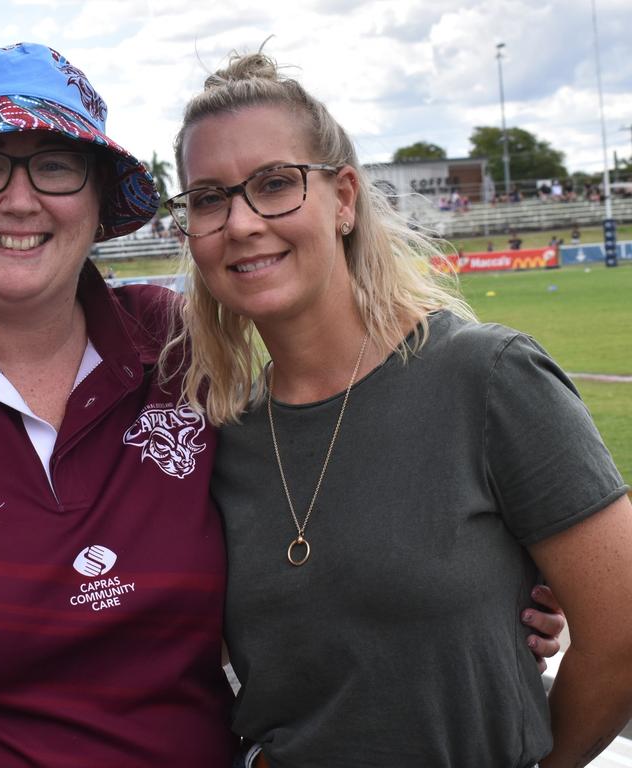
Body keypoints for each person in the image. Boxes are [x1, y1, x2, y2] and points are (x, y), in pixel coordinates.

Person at [0, 43, 563, 768]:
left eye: (55, 167)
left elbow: (305, 519)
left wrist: (477, 594)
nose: (20, 199)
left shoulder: (185, 349)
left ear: (99, 204)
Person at [162, 50, 632, 767]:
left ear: (344, 198)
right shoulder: (222, 438)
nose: (243, 222)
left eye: (275, 184)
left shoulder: (489, 377)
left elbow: (622, 631)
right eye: (209, 198)